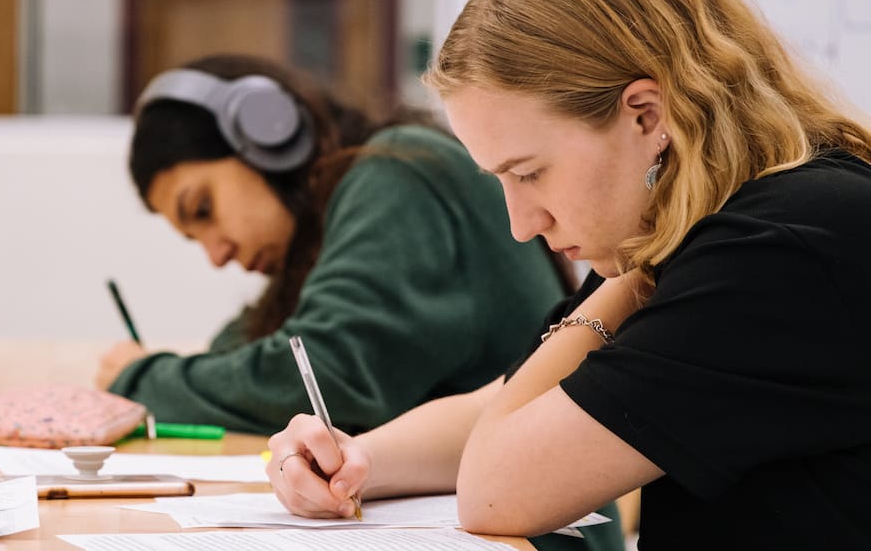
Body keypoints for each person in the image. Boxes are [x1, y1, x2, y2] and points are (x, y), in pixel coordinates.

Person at [266, 0, 871, 549]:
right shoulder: (709, 219)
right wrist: (351, 461)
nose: (521, 223)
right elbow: (500, 407)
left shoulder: (780, 246)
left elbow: (497, 489)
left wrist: (632, 278)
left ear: (647, 115)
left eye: (529, 173)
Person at [94, 53, 572, 439]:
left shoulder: (400, 175)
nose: (217, 256)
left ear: (267, 132)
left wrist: (140, 379)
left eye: (203, 210)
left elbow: (325, 377)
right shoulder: (327, 224)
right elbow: (237, 357)